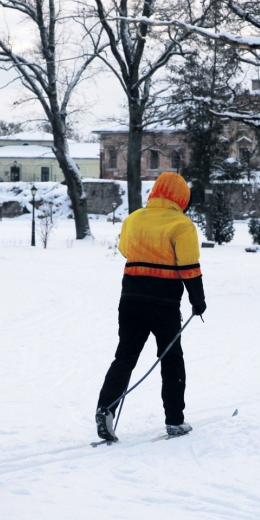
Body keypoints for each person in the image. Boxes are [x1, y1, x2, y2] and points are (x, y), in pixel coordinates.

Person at [95, 172, 206, 443]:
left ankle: (105, 408)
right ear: (182, 198)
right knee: (171, 360)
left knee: (124, 358)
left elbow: (125, 250)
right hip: (165, 304)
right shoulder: (182, 225)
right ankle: (175, 421)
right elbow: (189, 267)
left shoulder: (133, 218)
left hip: (130, 299)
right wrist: (198, 301)